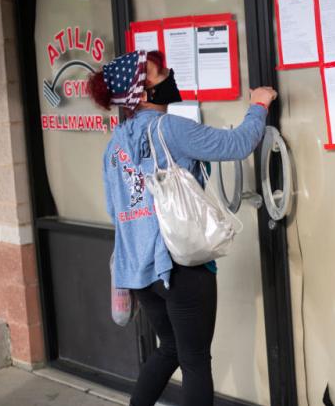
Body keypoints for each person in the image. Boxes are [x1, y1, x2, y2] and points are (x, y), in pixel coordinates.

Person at [88, 49, 277, 406]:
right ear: (143, 94)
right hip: (181, 266)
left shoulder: (114, 146)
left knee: (169, 350)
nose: (170, 74)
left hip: (141, 274)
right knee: (194, 362)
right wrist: (260, 105)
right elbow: (236, 144)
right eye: (161, 74)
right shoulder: (169, 129)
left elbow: (116, 212)